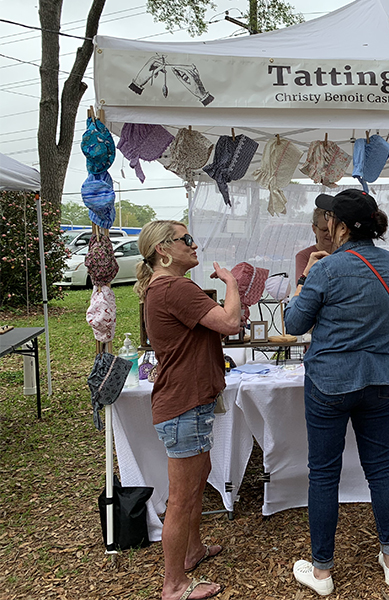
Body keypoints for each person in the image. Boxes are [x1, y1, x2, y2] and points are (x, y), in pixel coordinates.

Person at [284, 189, 389, 596]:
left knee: (324, 474)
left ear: (340, 225)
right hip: (380, 378)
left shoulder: (327, 269)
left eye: (329, 218)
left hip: (330, 381)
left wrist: (304, 278)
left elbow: (295, 323)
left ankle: (322, 572)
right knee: (379, 467)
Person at [135, 220, 242, 600]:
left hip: (187, 401)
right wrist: (231, 283)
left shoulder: (164, 287)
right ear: (163, 250)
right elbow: (229, 322)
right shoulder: (175, 287)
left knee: (200, 476)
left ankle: (193, 550)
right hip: (183, 404)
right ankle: (174, 585)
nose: (194, 245)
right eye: (187, 240)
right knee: (182, 496)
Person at [295, 207, 333, 282]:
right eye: (324, 230)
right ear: (314, 229)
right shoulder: (304, 256)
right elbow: (301, 287)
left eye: (332, 229)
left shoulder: (346, 252)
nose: (329, 234)